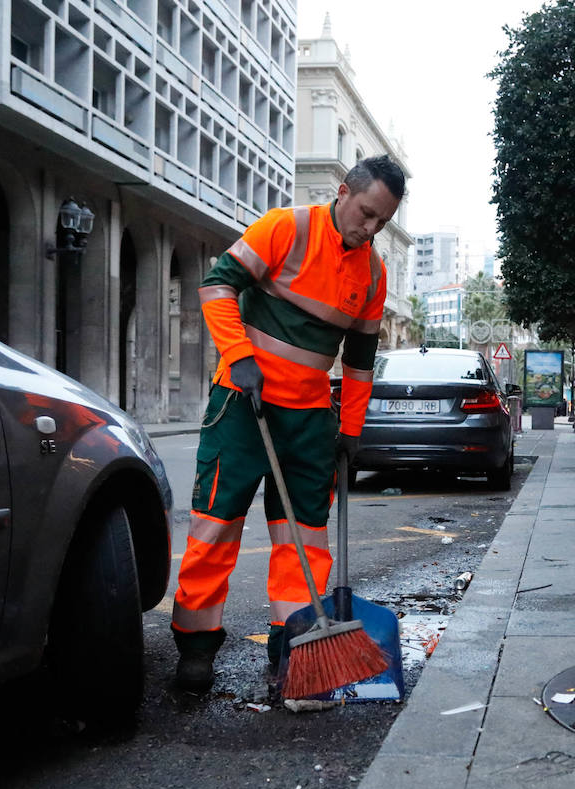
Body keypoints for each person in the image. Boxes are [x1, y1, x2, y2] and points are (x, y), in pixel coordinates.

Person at [170, 155, 406, 692]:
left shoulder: (371, 271)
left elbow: (360, 360)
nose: (369, 229)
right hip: (242, 404)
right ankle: (196, 650)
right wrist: (240, 355)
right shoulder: (286, 227)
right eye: (366, 213)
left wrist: (350, 429)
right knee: (215, 526)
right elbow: (216, 287)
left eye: (381, 223)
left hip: (308, 419)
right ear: (343, 192)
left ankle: (292, 647)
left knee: (304, 537)